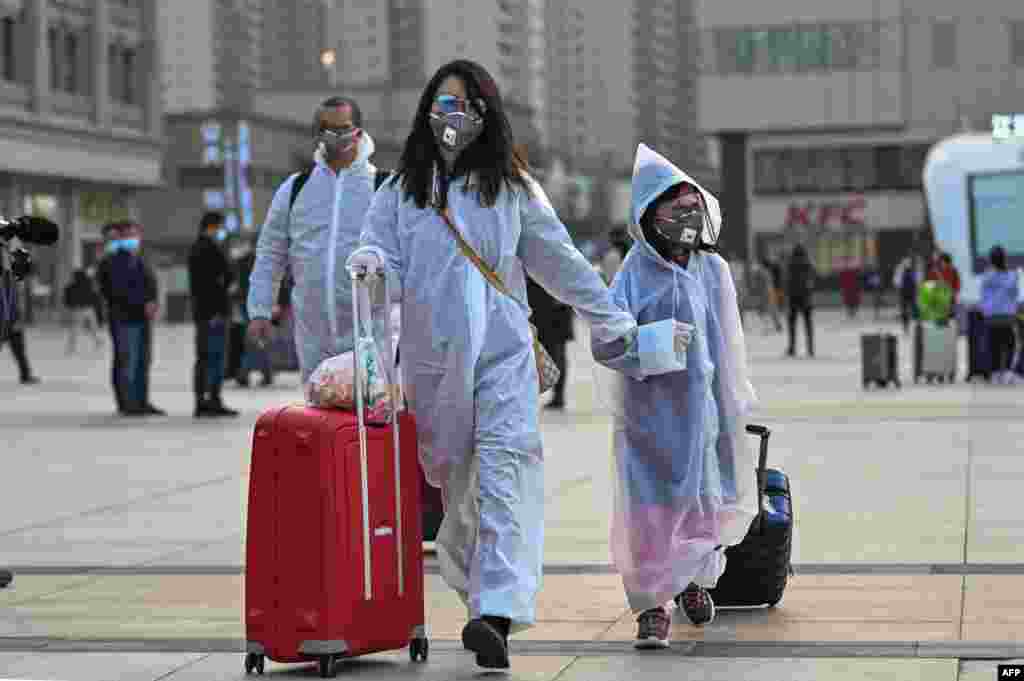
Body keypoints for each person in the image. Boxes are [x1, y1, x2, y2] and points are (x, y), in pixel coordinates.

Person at [346, 59, 637, 669]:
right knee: (459, 493)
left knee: (507, 476)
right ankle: (483, 593)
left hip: (504, 357)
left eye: (468, 107)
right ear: (426, 111)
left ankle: (495, 614)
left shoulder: (511, 189)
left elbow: (558, 261)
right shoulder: (400, 191)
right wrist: (371, 265)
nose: (454, 118)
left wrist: (610, 318)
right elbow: (383, 263)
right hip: (432, 364)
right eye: (444, 105)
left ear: (487, 117)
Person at [592, 143, 758, 649]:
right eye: (675, 205)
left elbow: (731, 344)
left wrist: (736, 402)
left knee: (705, 506)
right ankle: (651, 609)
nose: (688, 214)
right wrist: (652, 343)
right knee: (651, 518)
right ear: (649, 214)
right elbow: (605, 341)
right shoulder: (633, 274)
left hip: (705, 417)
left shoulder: (713, 271)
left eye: (693, 204)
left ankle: (691, 582)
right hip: (651, 423)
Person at [248, 95, 384, 383]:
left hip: (373, 336)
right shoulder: (295, 189)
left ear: (359, 131)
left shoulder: (384, 188)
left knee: (371, 423)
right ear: (317, 133)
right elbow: (271, 252)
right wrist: (260, 310)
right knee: (321, 418)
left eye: (344, 128)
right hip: (314, 338)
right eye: (327, 129)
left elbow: (411, 258)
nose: (336, 136)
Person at [96, 221, 164, 416]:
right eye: (128, 235)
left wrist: (153, 302)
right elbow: (117, 290)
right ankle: (128, 402)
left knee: (143, 361)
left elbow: (150, 284)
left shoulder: (140, 259)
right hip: (125, 317)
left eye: (135, 235)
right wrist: (143, 303)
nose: (132, 239)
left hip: (142, 318)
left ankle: (141, 400)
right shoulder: (113, 261)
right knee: (127, 361)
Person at [188, 211, 239, 418]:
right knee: (211, 357)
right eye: (219, 227)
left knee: (211, 358)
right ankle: (207, 400)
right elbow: (208, 284)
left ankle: (209, 399)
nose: (221, 231)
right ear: (210, 227)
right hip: (212, 313)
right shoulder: (204, 249)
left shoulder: (207, 248)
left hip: (210, 311)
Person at [526, 275, 573, 409]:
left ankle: (558, 395)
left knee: (555, 351)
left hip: (552, 305)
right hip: (548, 302)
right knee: (554, 350)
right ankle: (557, 395)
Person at [979, 245, 1020, 385]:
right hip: (1007, 315)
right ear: (1005, 258)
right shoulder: (1013, 275)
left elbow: (983, 296)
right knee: (1010, 343)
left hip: (991, 316)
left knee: (994, 344)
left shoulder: (987, 276)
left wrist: (984, 310)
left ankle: (996, 373)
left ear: (991, 260)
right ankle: (1008, 372)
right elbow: (1014, 294)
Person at [785, 244, 816, 357]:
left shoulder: (791, 264)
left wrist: (787, 296)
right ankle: (811, 348)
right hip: (806, 298)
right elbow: (813, 279)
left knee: (792, 325)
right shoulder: (808, 264)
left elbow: (787, 281)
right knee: (808, 325)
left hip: (794, 298)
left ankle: (792, 347)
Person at [63, 267, 103, 354]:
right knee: (93, 327)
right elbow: (95, 297)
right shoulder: (88, 285)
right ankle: (98, 341)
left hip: (78, 309)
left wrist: (70, 306)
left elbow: (67, 298)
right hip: (89, 309)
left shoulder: (71, 287)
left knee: (75, 328)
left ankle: (71, 346)